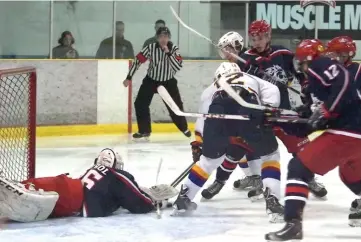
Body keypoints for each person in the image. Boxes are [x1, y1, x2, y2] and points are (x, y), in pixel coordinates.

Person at [265, 40, 361, 241]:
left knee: (298, 168)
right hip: (351, 137)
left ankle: (293, 224)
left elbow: (343, 80)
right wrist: (276, 120)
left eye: (300, 61)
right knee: (351, 177)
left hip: (349, 133)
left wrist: (327, 110)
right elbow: (308, 126)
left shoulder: (320, 64)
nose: (299, 66)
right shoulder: (313, 89)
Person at [172, 62, 285, 222]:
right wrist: (268, 109)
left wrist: (198, 142)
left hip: (218, 108)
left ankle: (183, 200)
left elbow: (203, 118)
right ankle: (273, 202)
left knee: (208, 161)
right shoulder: (249, 77)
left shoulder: (211, 88)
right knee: (270, 156)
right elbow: (273, 90)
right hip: (248, 106)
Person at [235, 20, 327, 198]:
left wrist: (307, 90)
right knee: (258, 151)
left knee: (302, 148)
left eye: (260, 38)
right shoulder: (245, 59)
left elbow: (301, 73)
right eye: (253, 38)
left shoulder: (282, 54)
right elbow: (238, 86)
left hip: (283, 113)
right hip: (261, 116)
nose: (256, 42)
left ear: (268, 36)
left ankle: (309, 179)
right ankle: (262, 181)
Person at [0, 148, 177, 222]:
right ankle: (19, 195)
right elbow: (136, 202)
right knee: (34, 205)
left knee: (32, 190)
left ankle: (18, 189)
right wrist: (152, 202)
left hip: (66, 183)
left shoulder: (95, 171)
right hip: (74, 198)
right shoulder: (118, 175)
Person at [123, 27, 190, 140]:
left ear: (169, 38)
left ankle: (184, 128)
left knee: (176, 106)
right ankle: (144, 131)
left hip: (168, 81)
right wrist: (129, 77)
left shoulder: (174, 49)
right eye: (161, 37)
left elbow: (178, 66)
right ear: (157, 38)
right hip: (152, 79)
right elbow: (138, 61)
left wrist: (168, 54)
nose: (163, 39)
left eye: (165, 36)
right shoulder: (150, 48)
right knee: (140, 103)